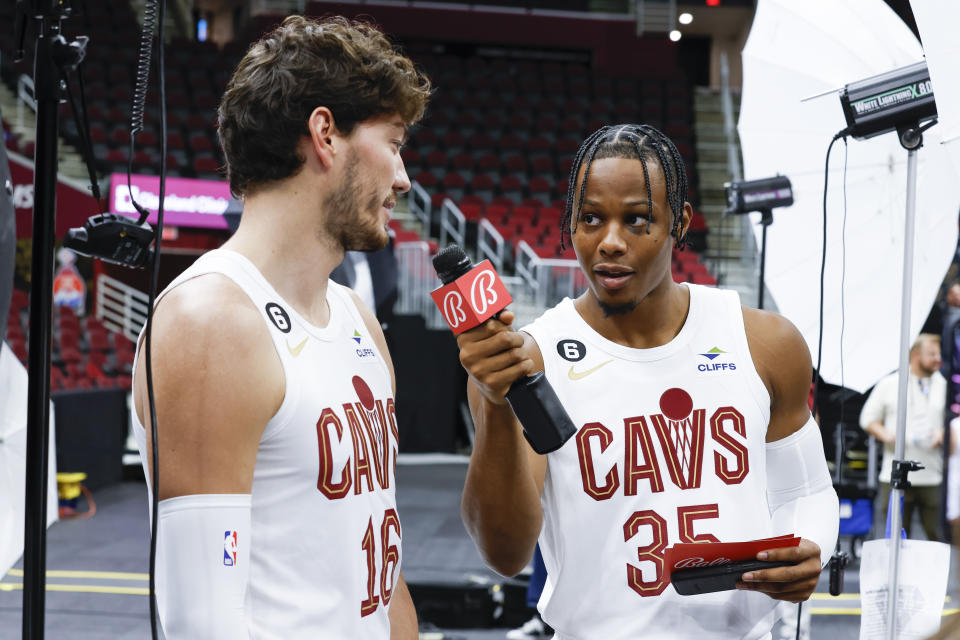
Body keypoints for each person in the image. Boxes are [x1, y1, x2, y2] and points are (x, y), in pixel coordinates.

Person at [455, 124, 839, 639]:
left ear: (678, 223)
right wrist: (495, 408)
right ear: (571, 222)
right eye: (591, 218)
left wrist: (811, 545)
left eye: (637, 220)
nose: (610, 242)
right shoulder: (529, 361)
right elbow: (504, 555)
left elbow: (808, 489)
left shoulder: (765, 341)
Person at [130, 15, 430, 639]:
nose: (403, 179)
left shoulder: (358, 319)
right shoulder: (209, 322)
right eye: (395, 143)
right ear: (325, 134)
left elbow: (382, 570)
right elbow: (202, 622)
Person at [860, 334, 951, 541]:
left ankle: (934, 574)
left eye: (939, 353)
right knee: (895, 539)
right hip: (895, 474)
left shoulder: (945, 386)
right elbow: (867, 418)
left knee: (937, 537)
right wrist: (886, 435)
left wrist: (943, 434)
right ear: (916, 354)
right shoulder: (891, 384)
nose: (938, 358)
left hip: (933, 476)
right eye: (932, 354)